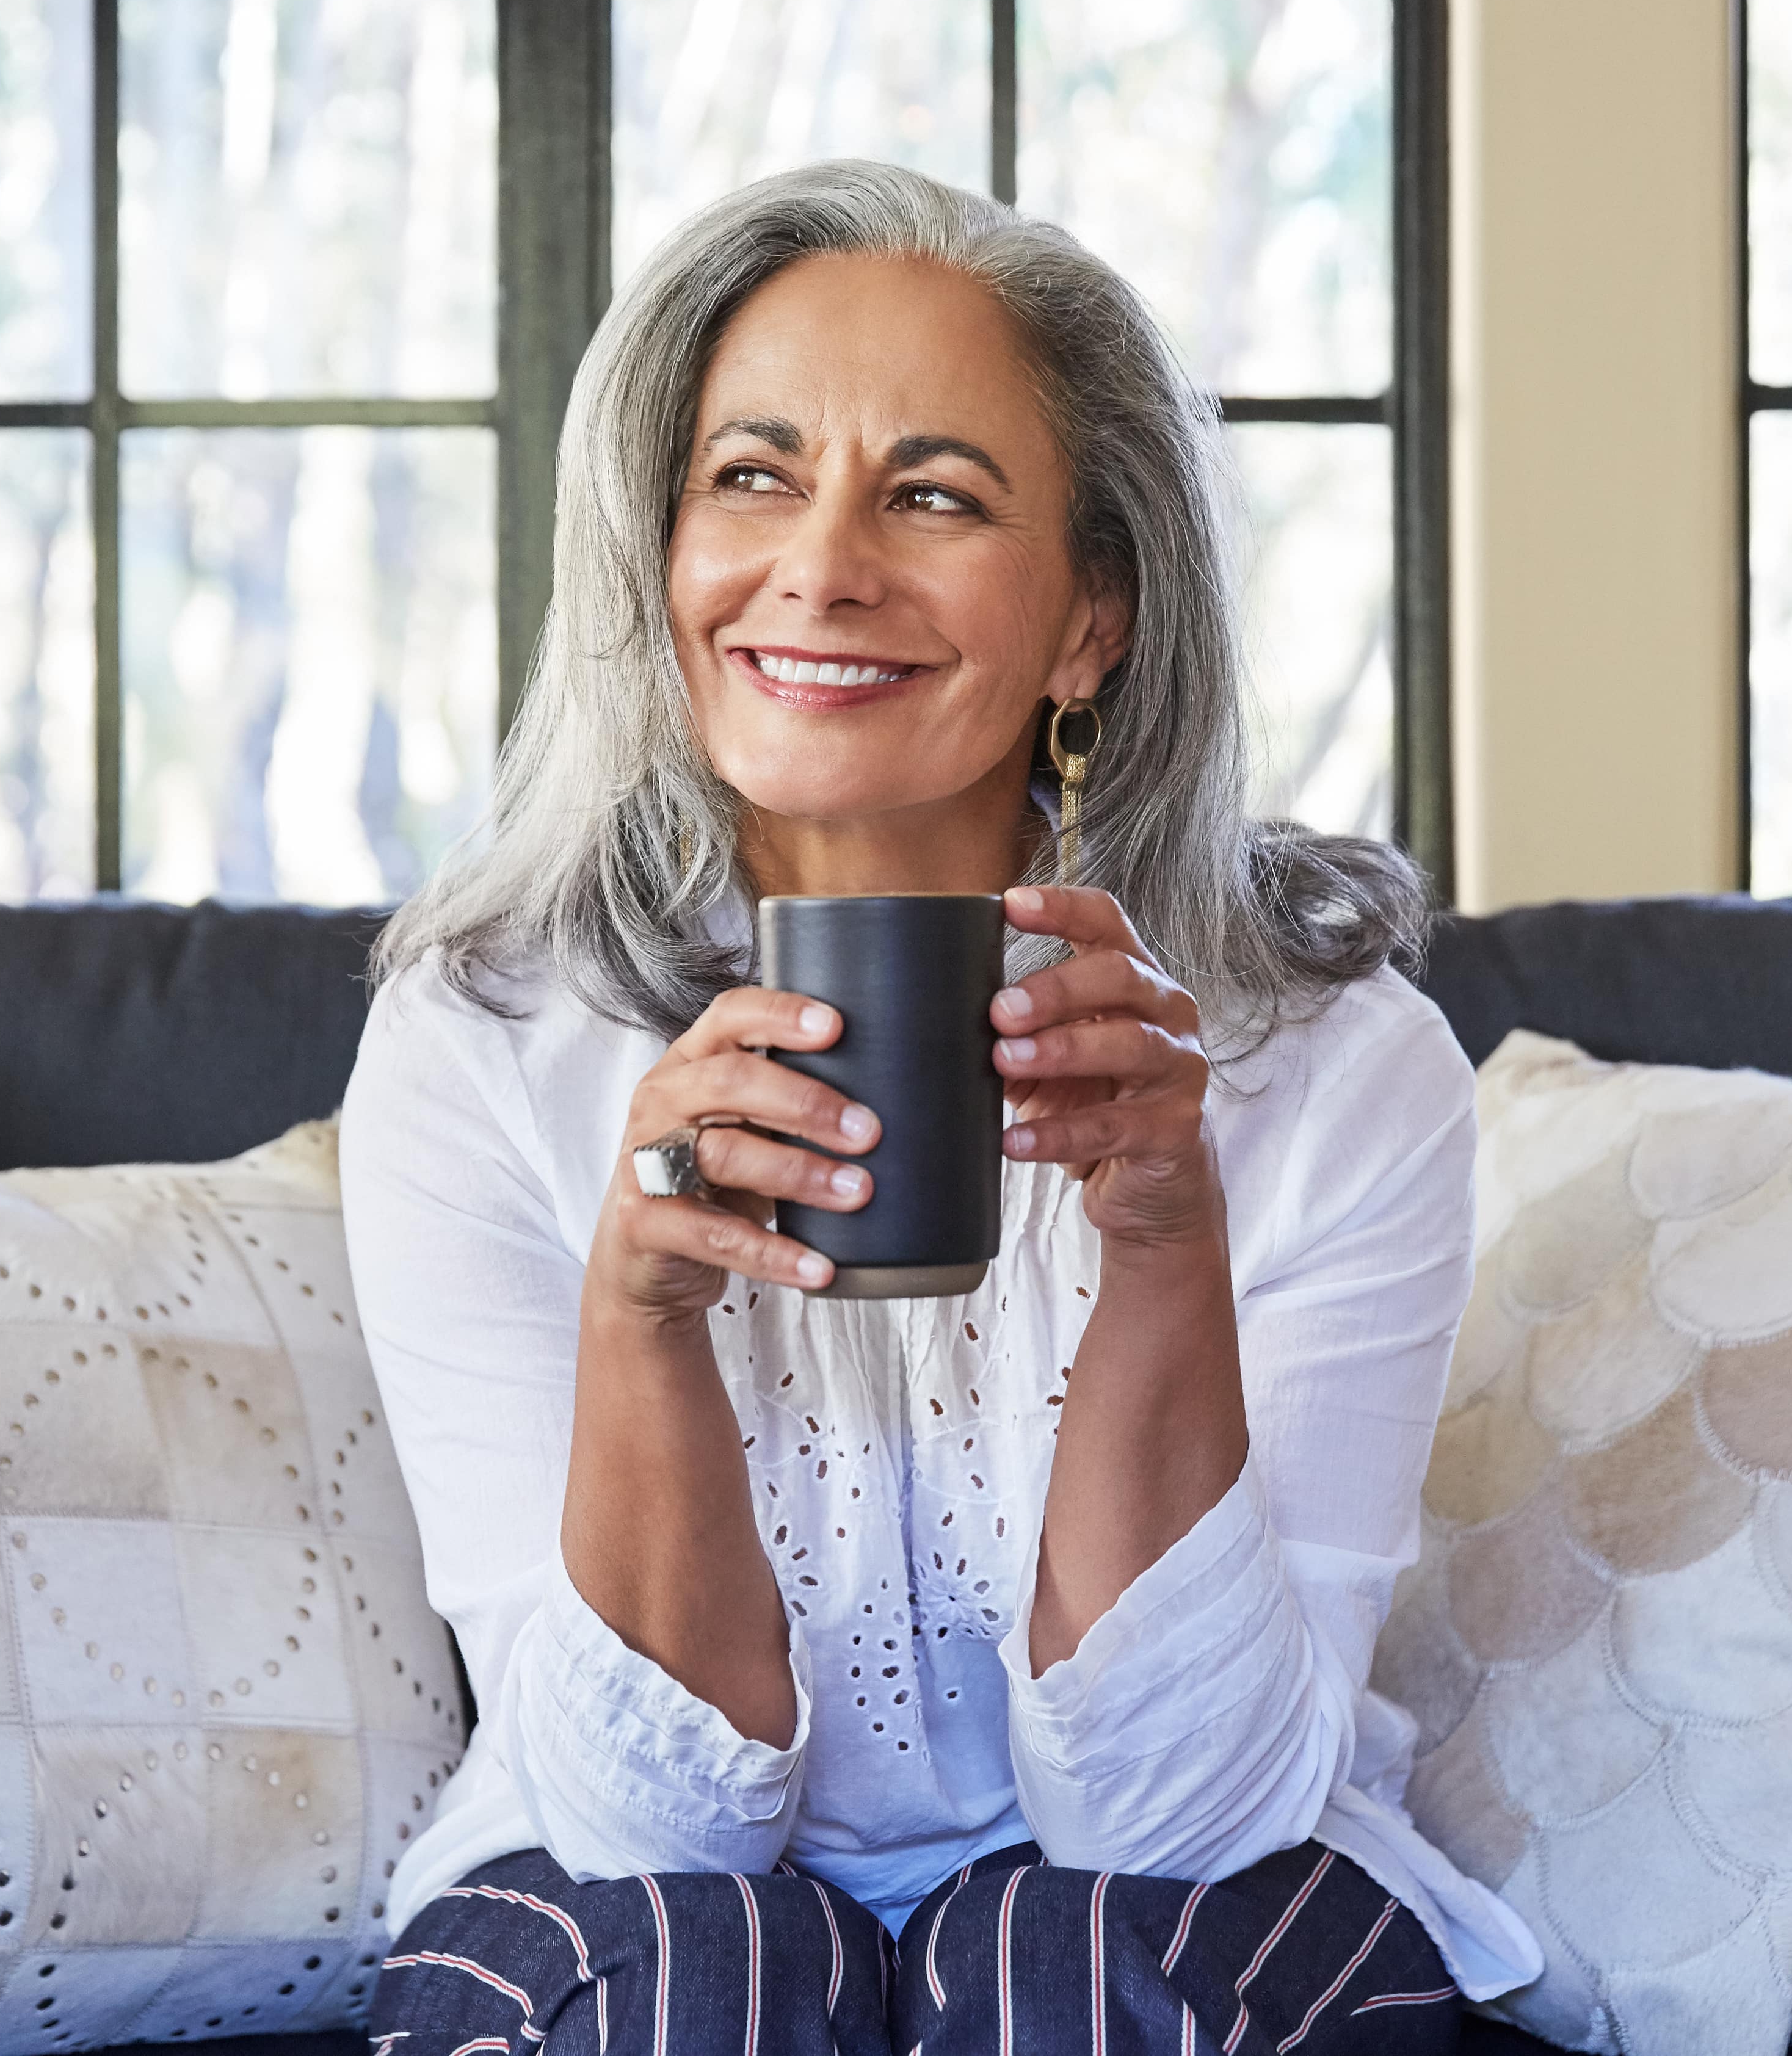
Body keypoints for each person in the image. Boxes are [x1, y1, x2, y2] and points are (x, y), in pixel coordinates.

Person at [341, 159, 1539, 2054]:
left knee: (1066, 1956)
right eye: (750, 475)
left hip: (1164, 1908)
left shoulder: (1325, 1057)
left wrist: (1159, 1235)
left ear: (1087, 623)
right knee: (697, 1971)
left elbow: (1190, 1823)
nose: (819, 562)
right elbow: (644, 1835)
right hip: (631, 1897)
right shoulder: (482, 1037)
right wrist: (640, 1314)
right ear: (657, 561)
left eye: (933, 495)